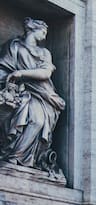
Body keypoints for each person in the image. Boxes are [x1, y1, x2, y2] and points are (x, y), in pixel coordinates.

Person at [0, 18, 66, 175]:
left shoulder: (44, 53)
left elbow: (46, 73)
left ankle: (21, 159)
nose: (44, 35)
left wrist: (21, 73)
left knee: (37, 121)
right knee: (22, 113)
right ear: (33, 30)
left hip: (43, 93)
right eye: (43, 31)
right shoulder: (14, 46)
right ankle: (12, 158)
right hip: (20, 91)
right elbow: (3, 67)